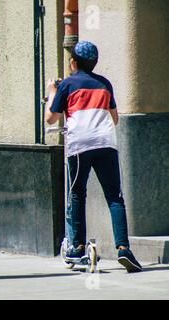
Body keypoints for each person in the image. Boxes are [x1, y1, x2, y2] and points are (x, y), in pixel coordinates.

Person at [45, 41, 142, 273]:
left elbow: (50, 118)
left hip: (79, 146)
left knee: (77, 193)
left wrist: (52, 92)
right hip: (106, 143)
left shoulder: (67, 84)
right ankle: (123, 249)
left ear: (73, 62)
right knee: (115, 197)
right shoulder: (105, 84)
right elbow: (115, 118)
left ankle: (78, 247)